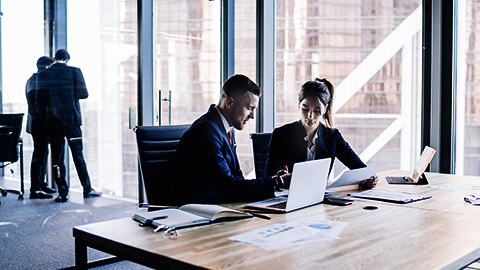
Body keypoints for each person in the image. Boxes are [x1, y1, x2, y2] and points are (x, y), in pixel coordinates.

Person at [175, 74, 290, 204]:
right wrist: (279, 182)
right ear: (229, 102)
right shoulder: (206, 132)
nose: (252, 116)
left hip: (226, 205)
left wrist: (274, 180)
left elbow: (238, 180)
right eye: (249, 108)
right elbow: (230, 187)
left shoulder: (226, 129)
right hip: (203, 213)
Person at [266, 78, 377, 189]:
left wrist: (369, 178)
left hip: (319, 197)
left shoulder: (332, 137)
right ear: (298, 105)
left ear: (325, 109)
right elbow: (267, 176)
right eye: (305, 108)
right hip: (287, 197)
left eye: (316, 110)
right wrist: (278, 178)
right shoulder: (281, 134)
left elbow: (358, 167)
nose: (310, 115)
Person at [36, 49, 102, 202]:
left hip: (53, 123)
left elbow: (40, 100)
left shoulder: (43, 75)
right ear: (67, 60)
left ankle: (62, 192)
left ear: (54, 59)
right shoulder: (74, 71)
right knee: (78, 155)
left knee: (57, 159)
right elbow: (84, 94)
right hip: (72, 121)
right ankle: (87, 188)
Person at [26, 56, 57, 199]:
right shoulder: (36, 80)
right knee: (39, 156)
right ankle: (35, 189)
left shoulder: (34, 80)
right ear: (46, 67)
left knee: (43, 155)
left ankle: (41, 184)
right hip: (39, 125)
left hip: (40, 124)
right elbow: (35, 107)